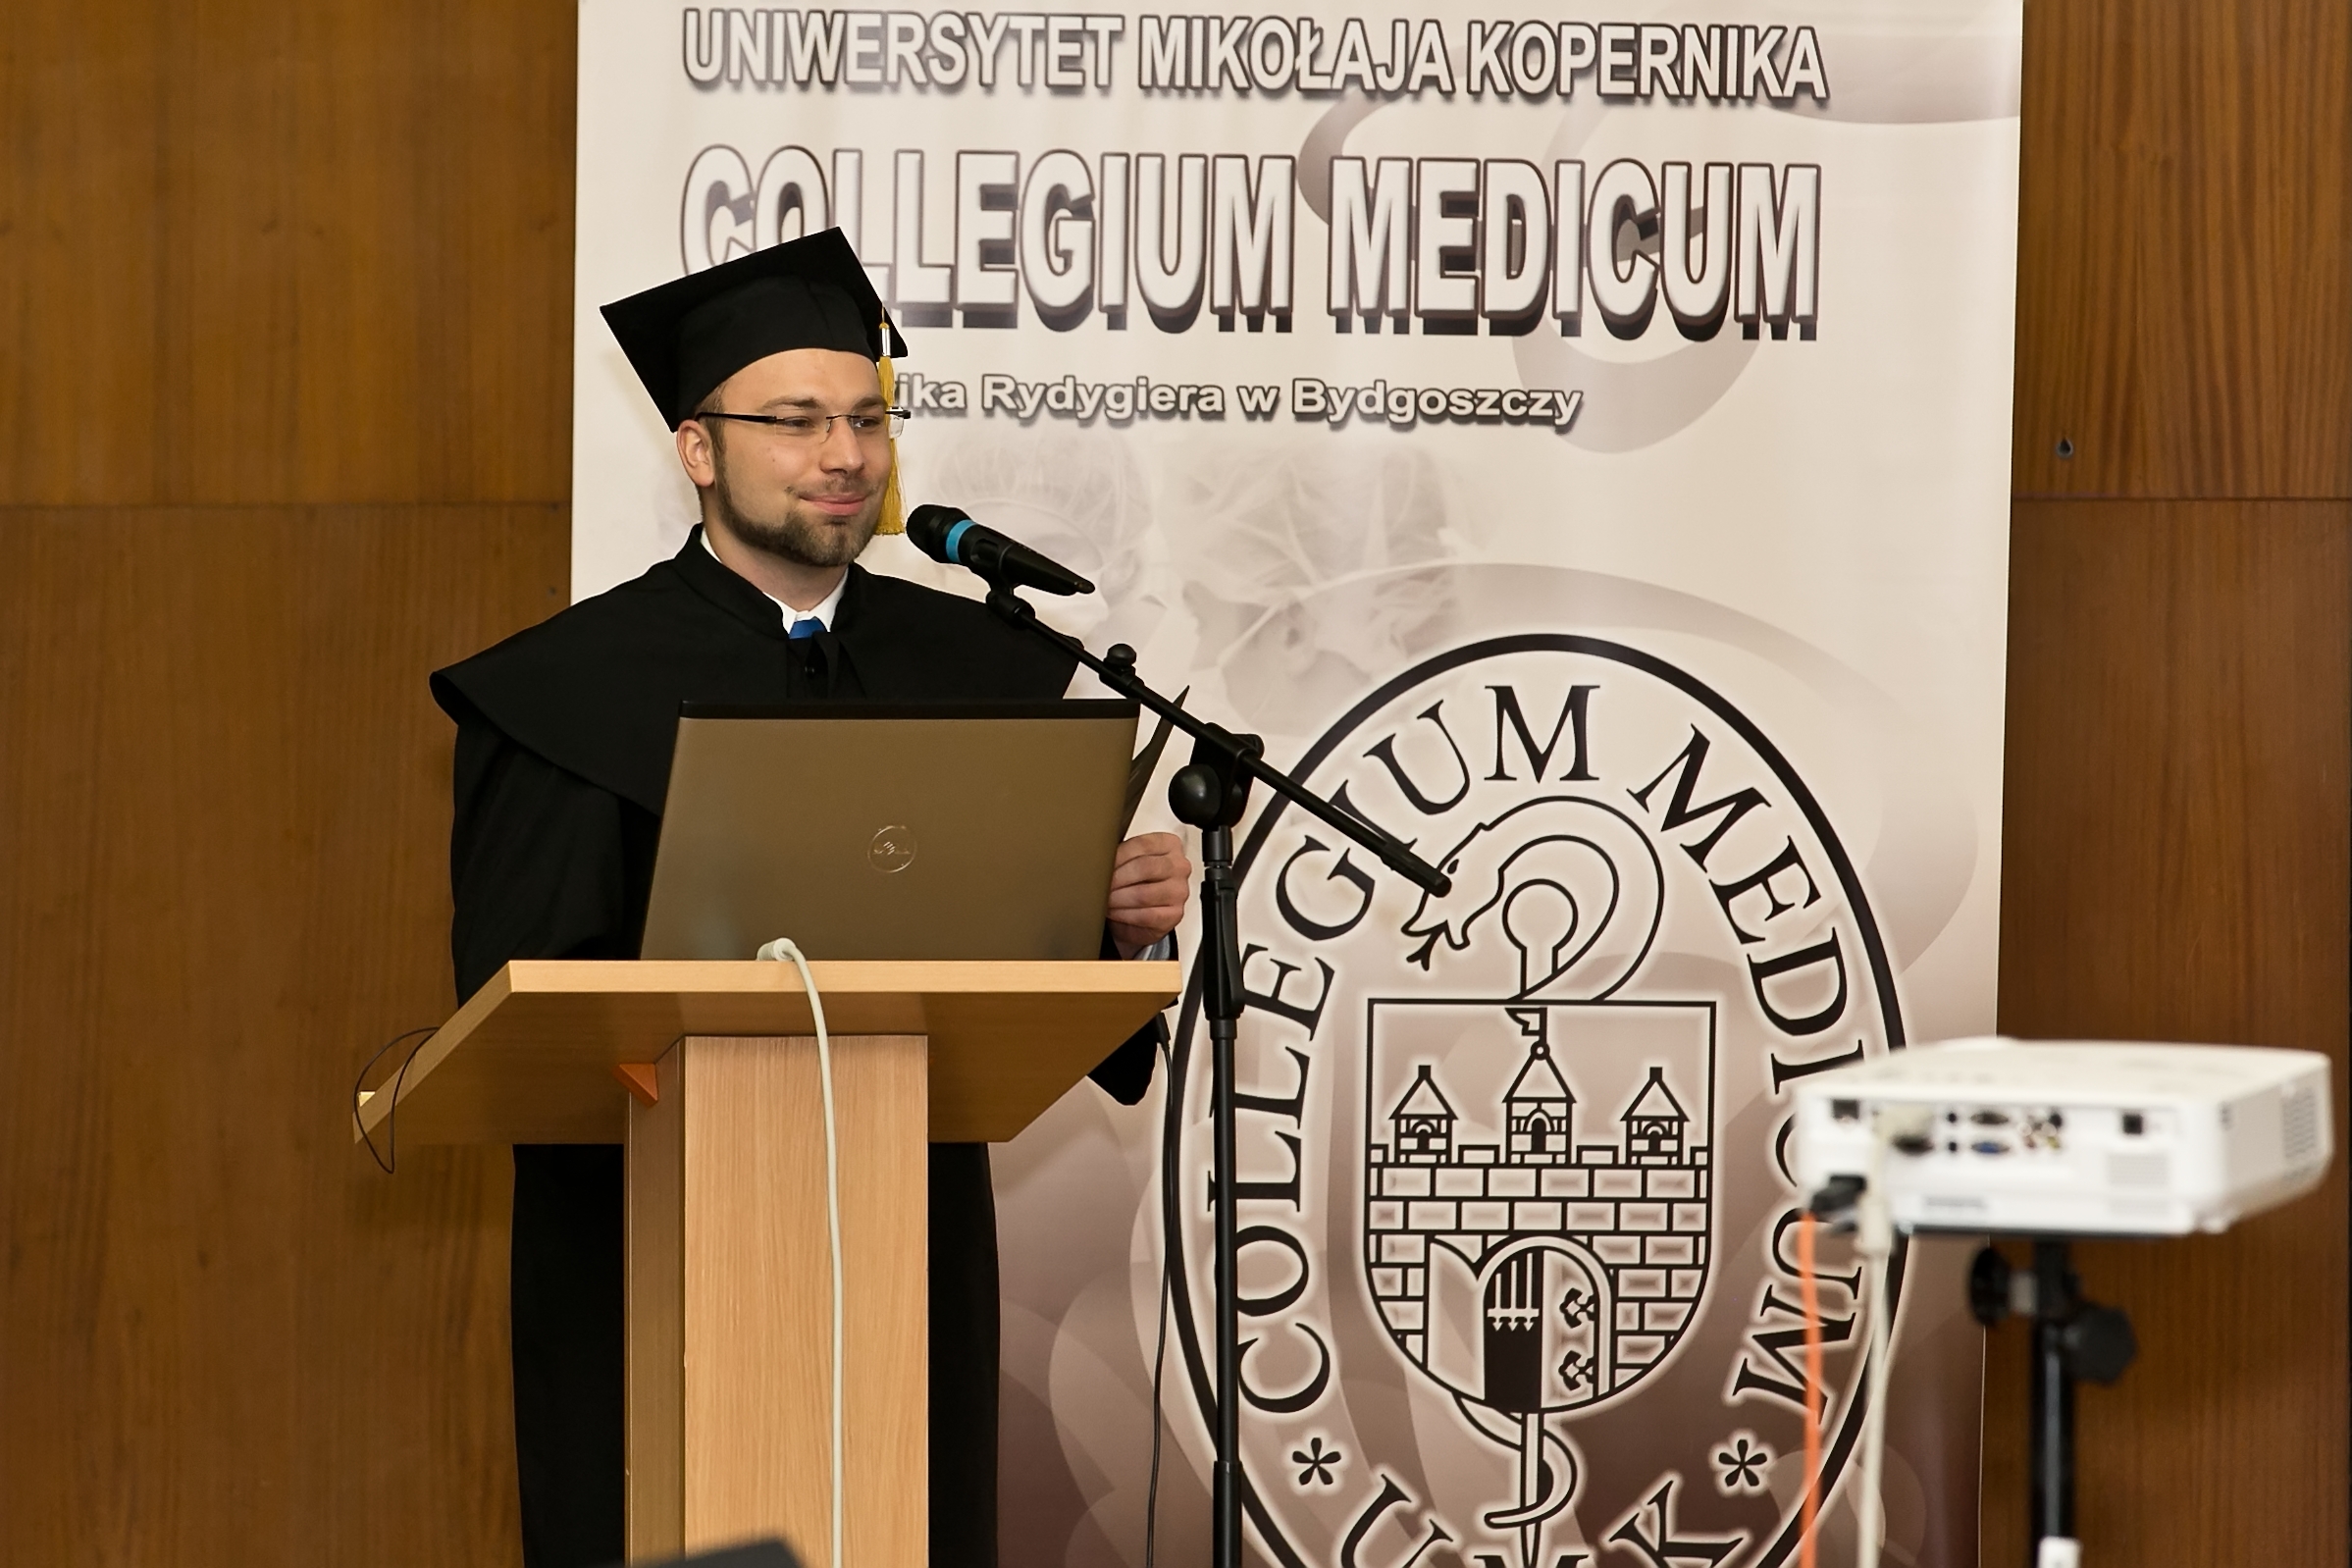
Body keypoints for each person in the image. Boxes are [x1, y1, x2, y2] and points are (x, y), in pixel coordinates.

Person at [428, 229, 1191, 1568]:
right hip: (651, 1257)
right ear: (697, 449)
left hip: (907, 1247)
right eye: (794, 421)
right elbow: (519, 1005)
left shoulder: (975, 664)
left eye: (866, 418)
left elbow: (1009, 975)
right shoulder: (565, 689)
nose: (844, 453)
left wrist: (1111, 928)